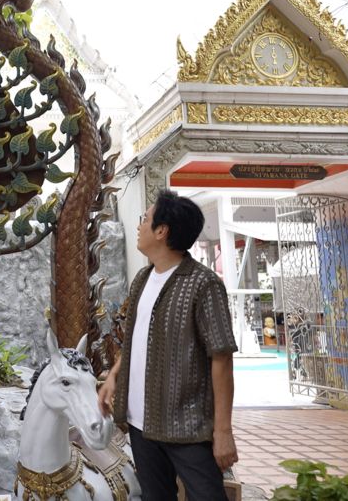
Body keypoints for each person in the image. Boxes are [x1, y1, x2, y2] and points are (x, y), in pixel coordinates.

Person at [97, 190, 239, 500]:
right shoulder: (142, 278)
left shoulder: (203, 283)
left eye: (144, 219)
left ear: (161, 231)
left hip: (187, 427)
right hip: (140, 423)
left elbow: (222, 357)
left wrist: (223, 430)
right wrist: (114, 376)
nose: (139, 226)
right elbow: (136, 338)